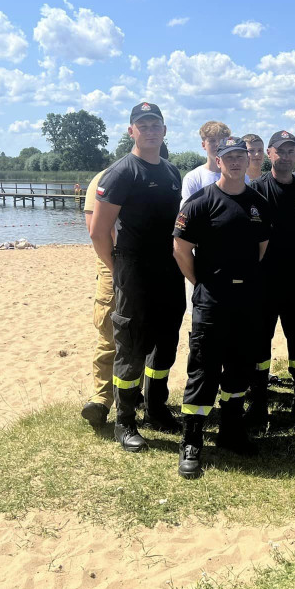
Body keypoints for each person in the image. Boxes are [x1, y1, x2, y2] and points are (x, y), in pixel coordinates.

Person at [173, 137, 271, 479]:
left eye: (240, 157)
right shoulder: (200, 202)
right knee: (203, 371)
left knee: (239, 370)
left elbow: (261, 248)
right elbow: (181, 250)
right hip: (212, 302)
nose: (234, 162)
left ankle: (232, 432)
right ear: (217, 160)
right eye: (228, 157)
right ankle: (192, 442)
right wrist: (203, 282)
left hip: (247, 302)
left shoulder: (257, 203)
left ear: (248, 161)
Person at [90, 102, 186, 452]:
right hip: (134, 270)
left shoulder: (172, 172)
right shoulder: (121, 172)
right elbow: (99, 232)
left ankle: (157, 407)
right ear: (131, 131)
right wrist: (118, 272)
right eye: (141, 125)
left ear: (164, 130)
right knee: (131, 347)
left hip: (169, 269)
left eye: (154, 124)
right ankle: (125, 421)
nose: (149, 130)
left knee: (165, 343)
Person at [249, 130, 295, 425]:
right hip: (264, 279)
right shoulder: (256, 189)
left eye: (291, 151)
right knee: (260, 340)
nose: (286, 156)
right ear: (269, 154)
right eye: (280, 151)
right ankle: (258, 398)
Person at [80, 168, 119, 428]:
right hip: (112, 262)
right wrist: (115, 267)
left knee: (147, 332)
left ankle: (139, 395)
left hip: (149, 264)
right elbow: (95, 230)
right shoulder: (106, 177)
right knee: (109, 332)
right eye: (143, 127)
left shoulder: (166, 173)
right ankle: (101, 399)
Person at [180, 120, 232, 205]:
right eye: (212, 140)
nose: (217, 144)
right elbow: (186, 214)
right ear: (203, 145)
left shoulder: (241, 176)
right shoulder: (193, 178)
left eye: (222, 140)